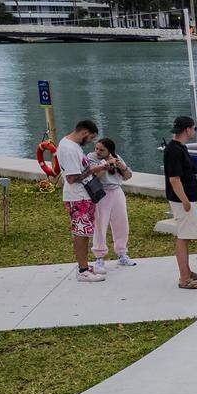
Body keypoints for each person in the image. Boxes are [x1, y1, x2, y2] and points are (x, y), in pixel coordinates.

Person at [57, 120, 109, 282]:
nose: (91, 142)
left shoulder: (72, 145)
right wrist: (95, 169)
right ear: (85, 133)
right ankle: (82, 270)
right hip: (78, 197)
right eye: (91, 138)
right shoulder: (69, 149)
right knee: (80, 233)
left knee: (85, 232)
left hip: (84, 196)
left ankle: (84, 265)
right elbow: (72, 178)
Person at [164, 116, 197, 289]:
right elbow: (174, 178)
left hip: (188, 196)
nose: (194, 131)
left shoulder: (180, 148)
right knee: (184, 236)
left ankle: (187, 270)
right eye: (193, 128)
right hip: (183, 198)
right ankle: (184, 278)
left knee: (187, 235)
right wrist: (185, 200)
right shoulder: (174, 150)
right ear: (187, 129)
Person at [87, 137, 136, 273]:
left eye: (102, 150)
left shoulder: (116, 157)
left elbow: (127, 176)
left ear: (109, 151)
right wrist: (106, 164)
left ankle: (122, 253)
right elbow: (95, 175)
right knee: (100, 224)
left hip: (117, 191)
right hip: (101, 193)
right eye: (96, 148)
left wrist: (122, 167)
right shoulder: (91, 158)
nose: (98, 151)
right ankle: (99, 256)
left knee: (122, 223)